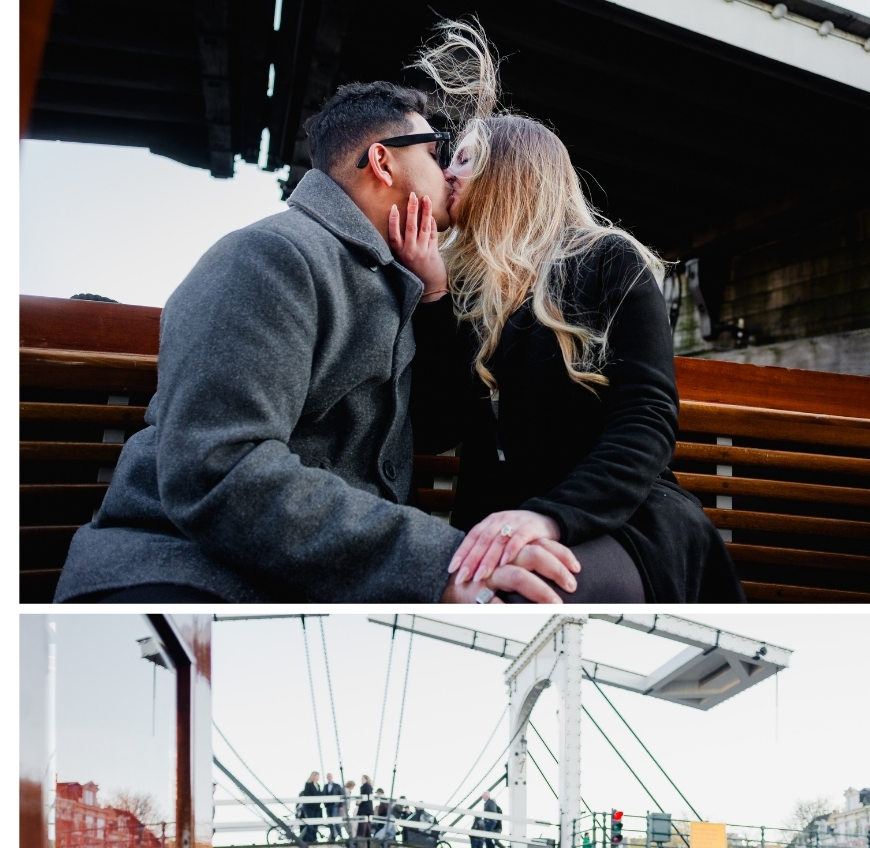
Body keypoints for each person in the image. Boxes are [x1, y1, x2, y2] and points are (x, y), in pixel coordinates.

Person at [53, 80, 578, 607]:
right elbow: (220, 467)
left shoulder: (392, 282)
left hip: (309, 588)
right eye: (434, 151)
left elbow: (436, 429)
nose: (447, 172)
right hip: (186, 571)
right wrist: (435, 566)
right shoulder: (271, 256)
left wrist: (433, 292)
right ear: (383, 162)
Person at [393, 21, 745, 605]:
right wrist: (431, 294)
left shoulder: (608, 261)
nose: (446, 172)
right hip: (502, 532)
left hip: (624, 524)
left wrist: (550, 517)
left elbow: (646, 418)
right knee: (494, 600)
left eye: (465, 160)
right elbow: (436, 427)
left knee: (526, 599)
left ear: (511, 174)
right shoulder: (460, 288)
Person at [298, 772, 323, 844]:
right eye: (317, 776)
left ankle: (314, 837)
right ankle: (309, 838)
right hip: (310, 807)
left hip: (317, 807)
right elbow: (307, 794)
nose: (318, 778)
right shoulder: (308, 784)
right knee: (310, 823)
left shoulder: (318, 785)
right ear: (313, 776)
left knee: (316, 823)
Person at [324, 772, 345, 841]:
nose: (329, 778)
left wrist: (341, 805)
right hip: (328, 806)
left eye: (330, 776)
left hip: (335, 805)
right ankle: (332, 836)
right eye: (328, 777)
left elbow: (341, 795)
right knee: (330, 822)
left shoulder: (337, 786)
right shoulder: (325, 786)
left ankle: (340, 835)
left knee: (336, 821)